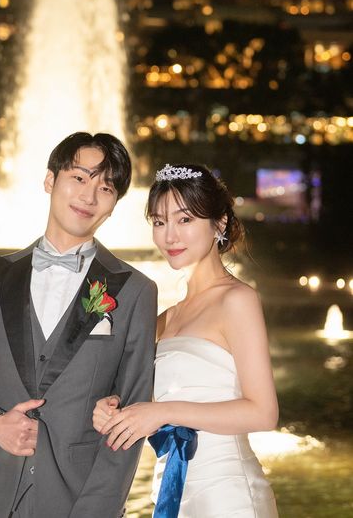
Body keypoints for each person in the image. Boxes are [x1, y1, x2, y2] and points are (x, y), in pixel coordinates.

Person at [0, 132, 157, 518]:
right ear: (50, 180)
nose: (89, 196)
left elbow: (132, 419)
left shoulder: (135, 291)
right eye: (79, 178)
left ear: (114, 204)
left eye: (105, 188)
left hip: (78, 502)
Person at [93, 163, 279, 517]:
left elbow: (264, 412)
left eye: (185, 219)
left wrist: (163, 412)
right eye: (159, 222)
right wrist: (111, 410)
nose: (170, 236)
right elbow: (146, 403)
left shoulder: (237, 299)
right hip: (174, 491)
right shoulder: (164, 319)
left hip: (228, 495)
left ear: (219, 224)